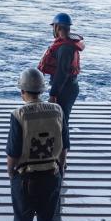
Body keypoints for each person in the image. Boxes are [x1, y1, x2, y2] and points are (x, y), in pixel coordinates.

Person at [0, 69, 66, 221]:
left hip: (26, 177)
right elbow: (64, 148)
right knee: (51, 219)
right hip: (51, 173)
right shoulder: (57, 110)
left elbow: (13, 152)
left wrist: (11, 174)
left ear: (22, 91)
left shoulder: (19, 114)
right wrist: (59, 170)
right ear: (42, 90)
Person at [38, 13, 85, 151]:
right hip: (68, 86)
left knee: (61, 122)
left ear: (57, 27)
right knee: (60, 120)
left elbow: (62, 73)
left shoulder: (64, 48)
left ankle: (62, 153)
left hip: (65, 88)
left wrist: (53, 94)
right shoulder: (67, 44)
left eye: (54, 27)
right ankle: (60, 151)